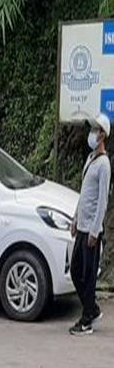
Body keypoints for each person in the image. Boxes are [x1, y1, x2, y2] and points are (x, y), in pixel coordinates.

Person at [69, 112, 111, 336]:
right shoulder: (90, 159)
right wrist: (76, 218)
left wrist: (95, 231)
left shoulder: (104, 165)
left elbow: (102, 200)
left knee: (87, 276)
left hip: (92, 231)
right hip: (82, 227)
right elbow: (84, 193)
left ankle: (86, 321)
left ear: (103, 135)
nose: (92, 133)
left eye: (95, 130)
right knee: (76, 271)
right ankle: (92, 308)